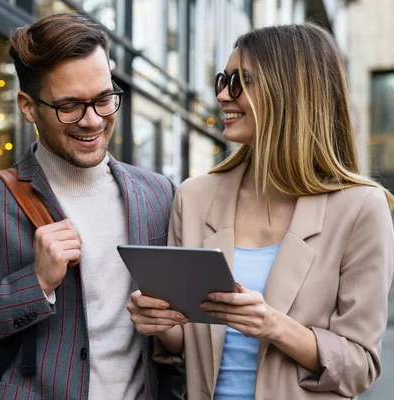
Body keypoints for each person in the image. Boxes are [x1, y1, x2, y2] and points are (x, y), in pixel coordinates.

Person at [0, 12, 183, 400]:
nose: (92, 121)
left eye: (104, 99)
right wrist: (35, 284)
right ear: (27, 106)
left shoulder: (159, 194)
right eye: (69, 106)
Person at [128, 23, 394, 399]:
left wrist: (273, 326)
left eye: (240, 81)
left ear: (290, 91)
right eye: (223, 79)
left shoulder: (361, 207)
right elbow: (185, 346)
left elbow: (359, 366)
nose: (222, 95)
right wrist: (159, 322)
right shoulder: (194, 197)